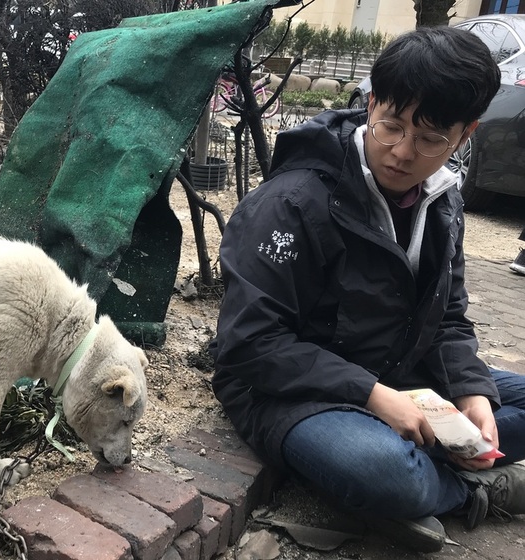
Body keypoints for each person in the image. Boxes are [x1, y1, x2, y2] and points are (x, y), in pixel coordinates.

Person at [210, 26, 525, 553]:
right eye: (391, 126)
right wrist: (372, 396)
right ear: (372, 102)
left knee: (482, 411)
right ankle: (469, 486)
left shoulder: (443, 201)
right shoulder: (291, 202)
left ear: (464, 135)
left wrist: (472, 392)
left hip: (402, 370)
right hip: (292, 392)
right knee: (380, 470)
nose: (402, 153)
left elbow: (448, 316)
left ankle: (433, 469)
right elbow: (250, 345)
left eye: (430, 140)